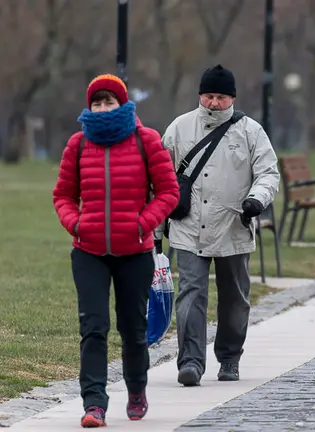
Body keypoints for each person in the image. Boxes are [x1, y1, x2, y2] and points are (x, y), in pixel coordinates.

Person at [52, 74, 179, 427]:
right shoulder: (78, 144)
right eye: (97, 102)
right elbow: (62, 195)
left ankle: (137, 389)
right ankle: (94, 405)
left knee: (133, 329)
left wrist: (142, 224)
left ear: (123, 104)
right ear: (89, 106)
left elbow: (168, 192)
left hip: (135, 252)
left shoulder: (146, 140)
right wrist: (76, 224)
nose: (103, 108)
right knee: (93, 328)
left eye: (109, 101)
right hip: (89, 252)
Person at [155, 64, 280, 387]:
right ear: (200, 95)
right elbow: (158, 179)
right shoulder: (179, 129)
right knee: (191, 295)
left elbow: (268, 173)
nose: (214, 103)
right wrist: (156, 231)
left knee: (235, 298)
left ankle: (229, 357)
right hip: (188, 226)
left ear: (232, 99)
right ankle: (191, 362)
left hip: (234, 224)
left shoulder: (251, 132)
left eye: (221, 97)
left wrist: (256, 199)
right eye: (209, 96)